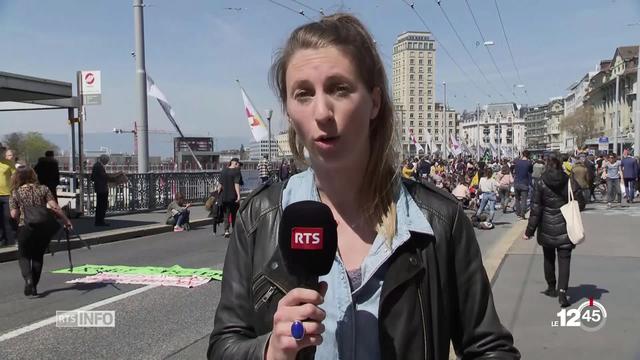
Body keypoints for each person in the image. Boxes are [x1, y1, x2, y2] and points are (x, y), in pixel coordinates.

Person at [208, 13, 519, 360]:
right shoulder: (260, 218)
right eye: (303, 94)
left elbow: (489, 348)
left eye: (339, 89)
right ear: (289, 110)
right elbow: (225, 345)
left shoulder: (439, 221)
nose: (322, 112)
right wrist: (270, 350)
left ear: (374, 102)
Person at [524, 157, 585, 308]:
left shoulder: (540, 182)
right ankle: (563, 293)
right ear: (560, 167)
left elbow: (536, 210)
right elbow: (581, 204)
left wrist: (529, 231)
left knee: (548, 258)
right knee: (565, 261)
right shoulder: (570, 181)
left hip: (546, 227)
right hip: (566, 227)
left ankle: (551, 288)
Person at [9, 167, 73, 296]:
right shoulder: (43, 189)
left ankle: (28, 280)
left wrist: (18, 220)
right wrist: (66, 220)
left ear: (18, 177)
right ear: (33, 175)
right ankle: (34, 287)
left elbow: (13, 214)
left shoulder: (15, 192)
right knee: (38, 256)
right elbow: (54, 207)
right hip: (43, 227)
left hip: (25, 226)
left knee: (24, 255)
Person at [219, 158, 242, 238]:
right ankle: (234, 230)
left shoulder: (223, 171)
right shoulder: (236, 172)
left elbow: (220, 185)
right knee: (234, 214)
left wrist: (218, 195)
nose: (238, 165)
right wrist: (238, 195)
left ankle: (226, 231)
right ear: (235, 163)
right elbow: (236, 184)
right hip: (233, 197)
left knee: (226, 214)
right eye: (238, 164)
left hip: (224, 197)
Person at [1, 146, 17, 246]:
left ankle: (10, 240)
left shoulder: (8, 163)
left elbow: (15, 177)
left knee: (8, 217)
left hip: (6, 194)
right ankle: (1, 239)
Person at [91, 155, 111, 226]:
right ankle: (100, 221)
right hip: (102, 188)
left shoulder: (96, 165)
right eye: (107, 161)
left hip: (99, 187)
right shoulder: (99, 166)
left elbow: (92, 177)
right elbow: (103, 176)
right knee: (102, 205)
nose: (107, 162)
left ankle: (99, 221)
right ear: (104, 160)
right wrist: (110, 177)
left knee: (100, 205)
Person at [513, 150, 533, 219]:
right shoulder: (529, 163)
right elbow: (531, 172)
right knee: (524, 199)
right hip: (524, 183)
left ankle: (518, 213)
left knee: (517, 199)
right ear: (528, 155)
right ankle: (522, 214)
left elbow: (515, 171)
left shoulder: (517, 162)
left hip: (516, 182)